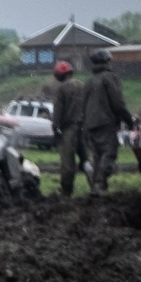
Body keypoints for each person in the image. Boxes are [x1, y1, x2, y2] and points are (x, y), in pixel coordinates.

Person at [74, 49, 131, 194]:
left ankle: (97, 188)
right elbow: (118, 103)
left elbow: (83, 106)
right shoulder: (109, 78)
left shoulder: (89, 81)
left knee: (98, 157)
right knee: (109, 154)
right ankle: (99, 184)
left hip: (90, 125)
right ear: (107, 61)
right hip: (106, 123)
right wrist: (128, 119)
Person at [49, 58, 85, 196]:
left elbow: (58, 111)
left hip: (69, 128)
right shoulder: (83, 85)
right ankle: (96, 185)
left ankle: (66, 190)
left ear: (59, 75)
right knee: (85, 158)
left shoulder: (62, 89)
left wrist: (55, 128)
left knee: (68, 161)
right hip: (84, 127)